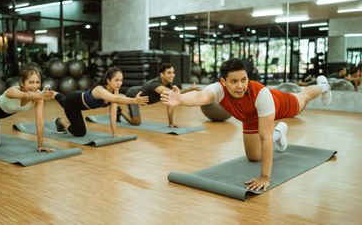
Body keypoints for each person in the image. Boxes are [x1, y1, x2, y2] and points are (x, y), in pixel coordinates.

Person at [161, 58, 332, 192]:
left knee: (302, 99)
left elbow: (265, 139)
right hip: (249, 117)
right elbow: (201, 97)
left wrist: (265, 177)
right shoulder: (218, 89)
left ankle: (323, 86)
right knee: (253, 157)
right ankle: (279, 133)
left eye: (244, 79)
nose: (240, 86)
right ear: (223, 81)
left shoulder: (261, 94)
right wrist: (181, 99)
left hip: (275, 104)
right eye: (234, 81)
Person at [0, 68, 57, 152]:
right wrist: (41, 95)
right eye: (31, 82)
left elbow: (39, 121)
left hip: (5, 112)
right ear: (22, 83)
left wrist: (40, 145)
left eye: (37, 82)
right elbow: (25, 96)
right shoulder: (13, 90)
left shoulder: (39, 97)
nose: (35, 86)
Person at [54, 66, 149, 137]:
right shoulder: (100, 90)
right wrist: (135, 100)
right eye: (116, 80)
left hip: (80, 101)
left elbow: (113, 114)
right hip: (73, 101)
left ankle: (54, 94)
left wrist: (114, 133)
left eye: (121, 80)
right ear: (108, 81)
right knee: (80, 132)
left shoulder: (115, 91)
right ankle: (59, 121)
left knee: (63, 102)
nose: (119, 83)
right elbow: (117, 99)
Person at [118, 63, 200, 127]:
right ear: (161, 74)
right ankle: (119, 111)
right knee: (136, 122)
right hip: (133, 95)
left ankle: (127, 111)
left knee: (135, 119)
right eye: (169, 73)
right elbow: (173, 93)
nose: (172, 75)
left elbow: (170, 104)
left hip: (142, 95)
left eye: (173, 72)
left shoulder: (169, 85)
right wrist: (189, 90)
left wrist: (171, 123)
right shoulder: (155, 84)